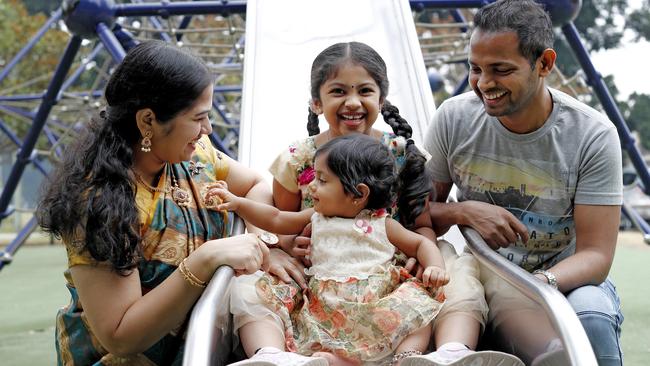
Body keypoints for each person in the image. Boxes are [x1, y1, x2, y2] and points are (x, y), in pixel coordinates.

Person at [265, 41, 520, 366]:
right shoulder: (298, 160)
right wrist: (286, 245)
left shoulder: (400, 153)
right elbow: (281, 220)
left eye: (365, 91)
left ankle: (452, 351)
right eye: (339, 91)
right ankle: (271, 354)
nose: (353, 102)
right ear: (317, 102)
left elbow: (421, 220)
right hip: (327, 272)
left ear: (381, 99)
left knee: (456, 268)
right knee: (254, 287)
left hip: (394, 264)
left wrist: (424, 257)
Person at [36, 40, 275, 365]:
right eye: (198, 117)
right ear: (147, 121)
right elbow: (120, 336)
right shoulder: (99, 201)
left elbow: (256, 185)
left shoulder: (197, 156)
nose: (207, 128)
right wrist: (204, 261)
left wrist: (263, 244)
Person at [419, 0, 624, 365]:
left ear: (544, 63)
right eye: (476, 68)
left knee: (589, 319)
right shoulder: (453, 119)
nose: (484, 84)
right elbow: (416, 215)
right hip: (485, 273)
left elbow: (596, 255)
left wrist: (541, 287)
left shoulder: (592, 134)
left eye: (500, 70)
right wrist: (464, 211)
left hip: (564, 277)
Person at [212, 134, 448, 366]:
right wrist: (239, 204)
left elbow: (421, 244)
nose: (312, 186)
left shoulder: (382, 224)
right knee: (264, 292)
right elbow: (275, 218)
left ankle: (406, 358)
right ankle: (285, 356)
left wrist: (435, 266)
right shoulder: (316, 218)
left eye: (322, 180)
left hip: (376, 306)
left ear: (359, 194)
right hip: (326, 307)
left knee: (419, 305)